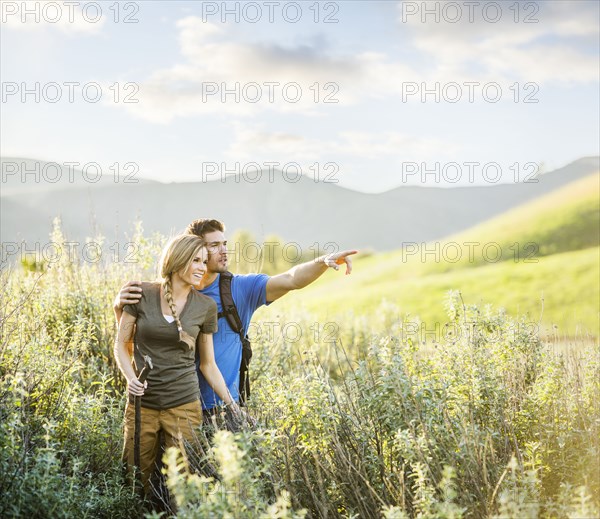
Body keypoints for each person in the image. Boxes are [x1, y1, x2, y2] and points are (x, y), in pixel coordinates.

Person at [114, 219, 357, 416]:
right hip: (167, 407)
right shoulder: (161, 293)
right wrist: (119, 310)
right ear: (192, 250)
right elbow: (137, 343)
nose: (224, 251)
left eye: (224, 243)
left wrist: (322, 262)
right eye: (214, 246)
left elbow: (291, 279)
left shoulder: (239, 289)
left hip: (221, 410)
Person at [113, 233, 241, 495]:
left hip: (184, 406)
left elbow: (208, 365)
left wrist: (233, 405)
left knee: (182, 485)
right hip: (141, 406)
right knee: (135, 481)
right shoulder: (140, 293)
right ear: (177, 260)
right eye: (196, 260)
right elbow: (120, 345)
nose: (202, 268)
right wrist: (131, 379)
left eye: (204, 262)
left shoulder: (204, 306)